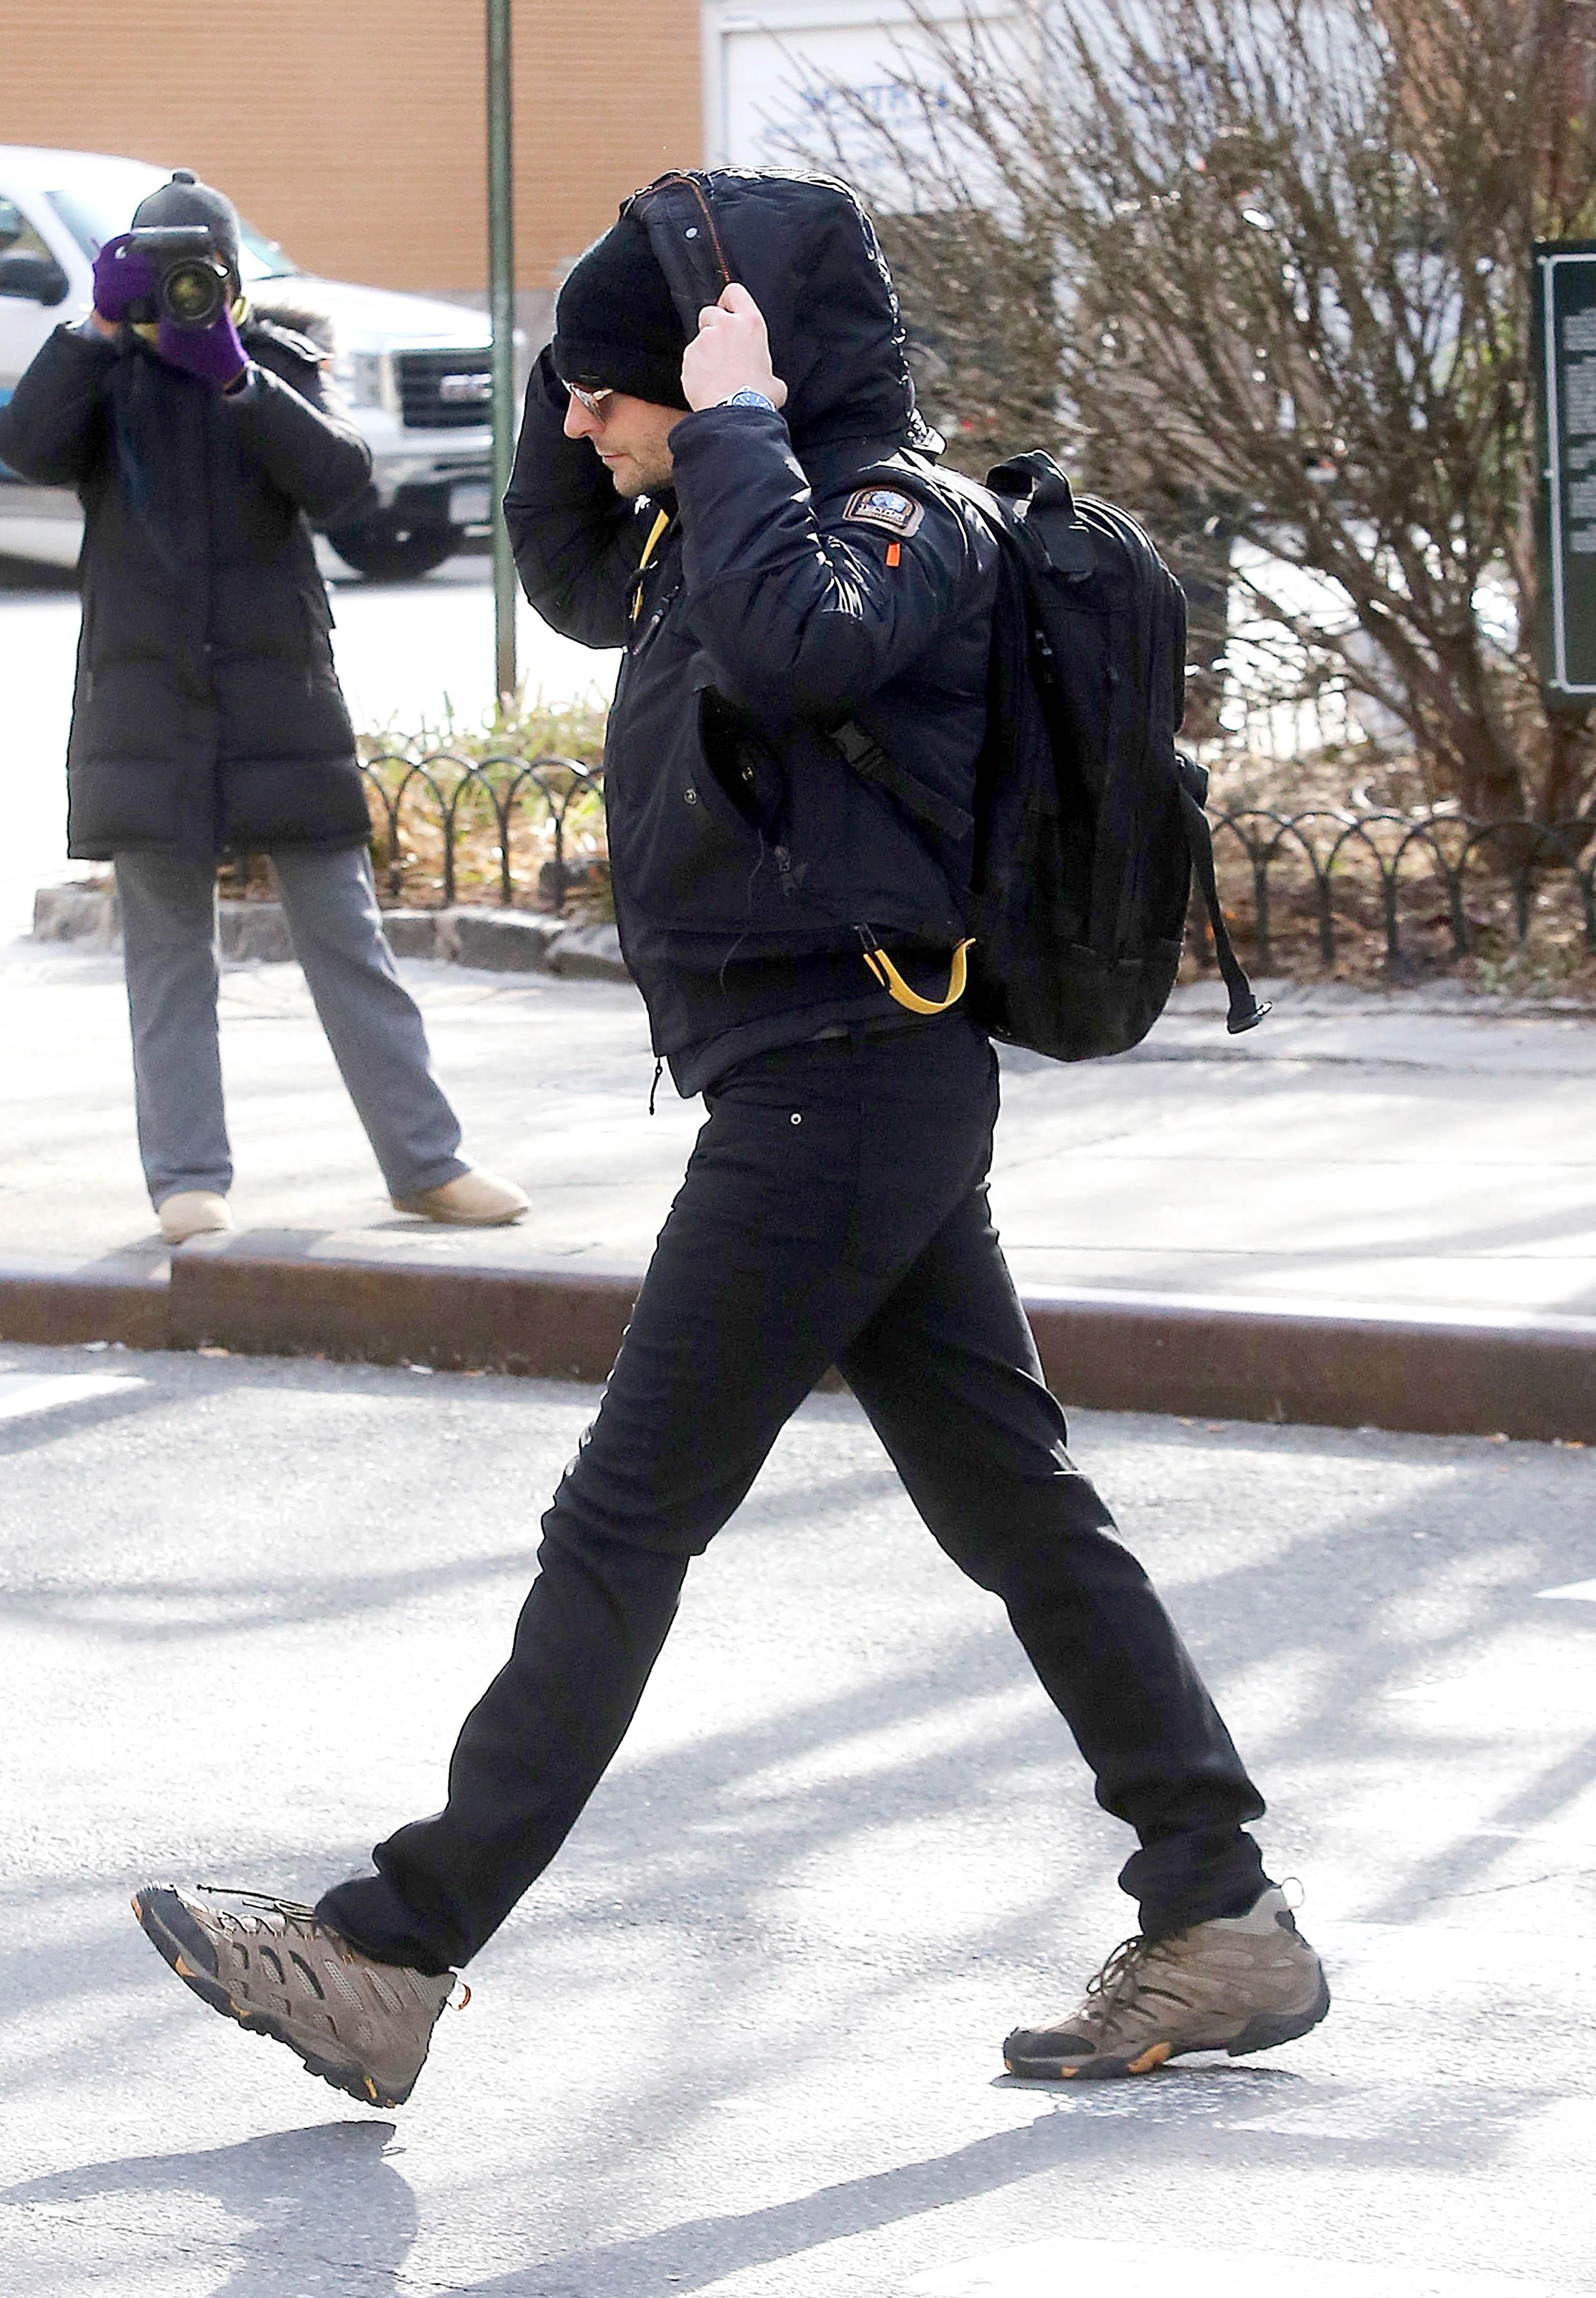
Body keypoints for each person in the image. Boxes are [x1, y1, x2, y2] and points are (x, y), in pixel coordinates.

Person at [132, 171, 1327, 2104]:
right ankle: (1218, 1911)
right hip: (843, 1085)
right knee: (1015, 1507)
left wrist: (739, 409)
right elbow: (560, 558)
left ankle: (390, 1949)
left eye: (616, 391)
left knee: (624, 1516)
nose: (591, 428)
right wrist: (603, 364)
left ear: (736, 372)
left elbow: (798, 653)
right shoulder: (711, 521)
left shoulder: (885, 518)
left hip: (843, 1080)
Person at [0, 169, 527, 1242]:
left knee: (346, 936)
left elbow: (344, 482)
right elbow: (24, 448)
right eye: (161, 271)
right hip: (141, 702)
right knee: (167, 953)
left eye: (201, 271)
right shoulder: (97, 378)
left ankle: (426, 1163)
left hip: (279, 696)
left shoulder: (274, 363)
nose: (182, 292)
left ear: (233, 278)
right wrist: (92, 327)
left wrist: (237, 380)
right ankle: (187, 1180)